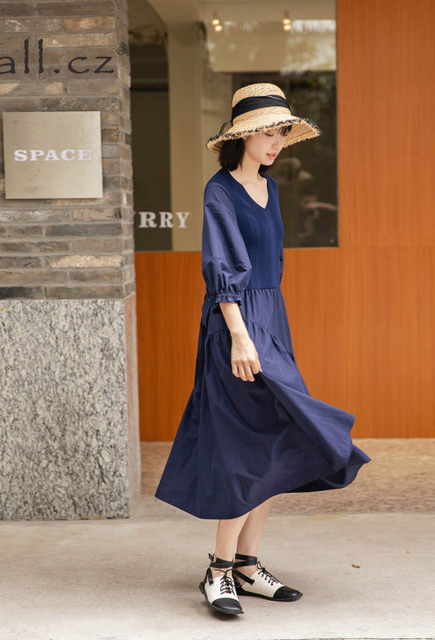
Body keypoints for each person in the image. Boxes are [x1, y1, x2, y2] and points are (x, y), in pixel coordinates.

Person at [155, 83, 370, 616]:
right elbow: (222, 269)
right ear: (243, 137)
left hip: (270, 319)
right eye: (268, 134)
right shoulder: (220, 191)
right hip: (235, 325)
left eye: (282, 134)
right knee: (245, 445)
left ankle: (248, 566)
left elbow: (270, 266)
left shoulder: (270, 189)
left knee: (282, 434)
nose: (276, 143)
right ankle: (219, 570)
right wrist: (239, 335)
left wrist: (265, 327)